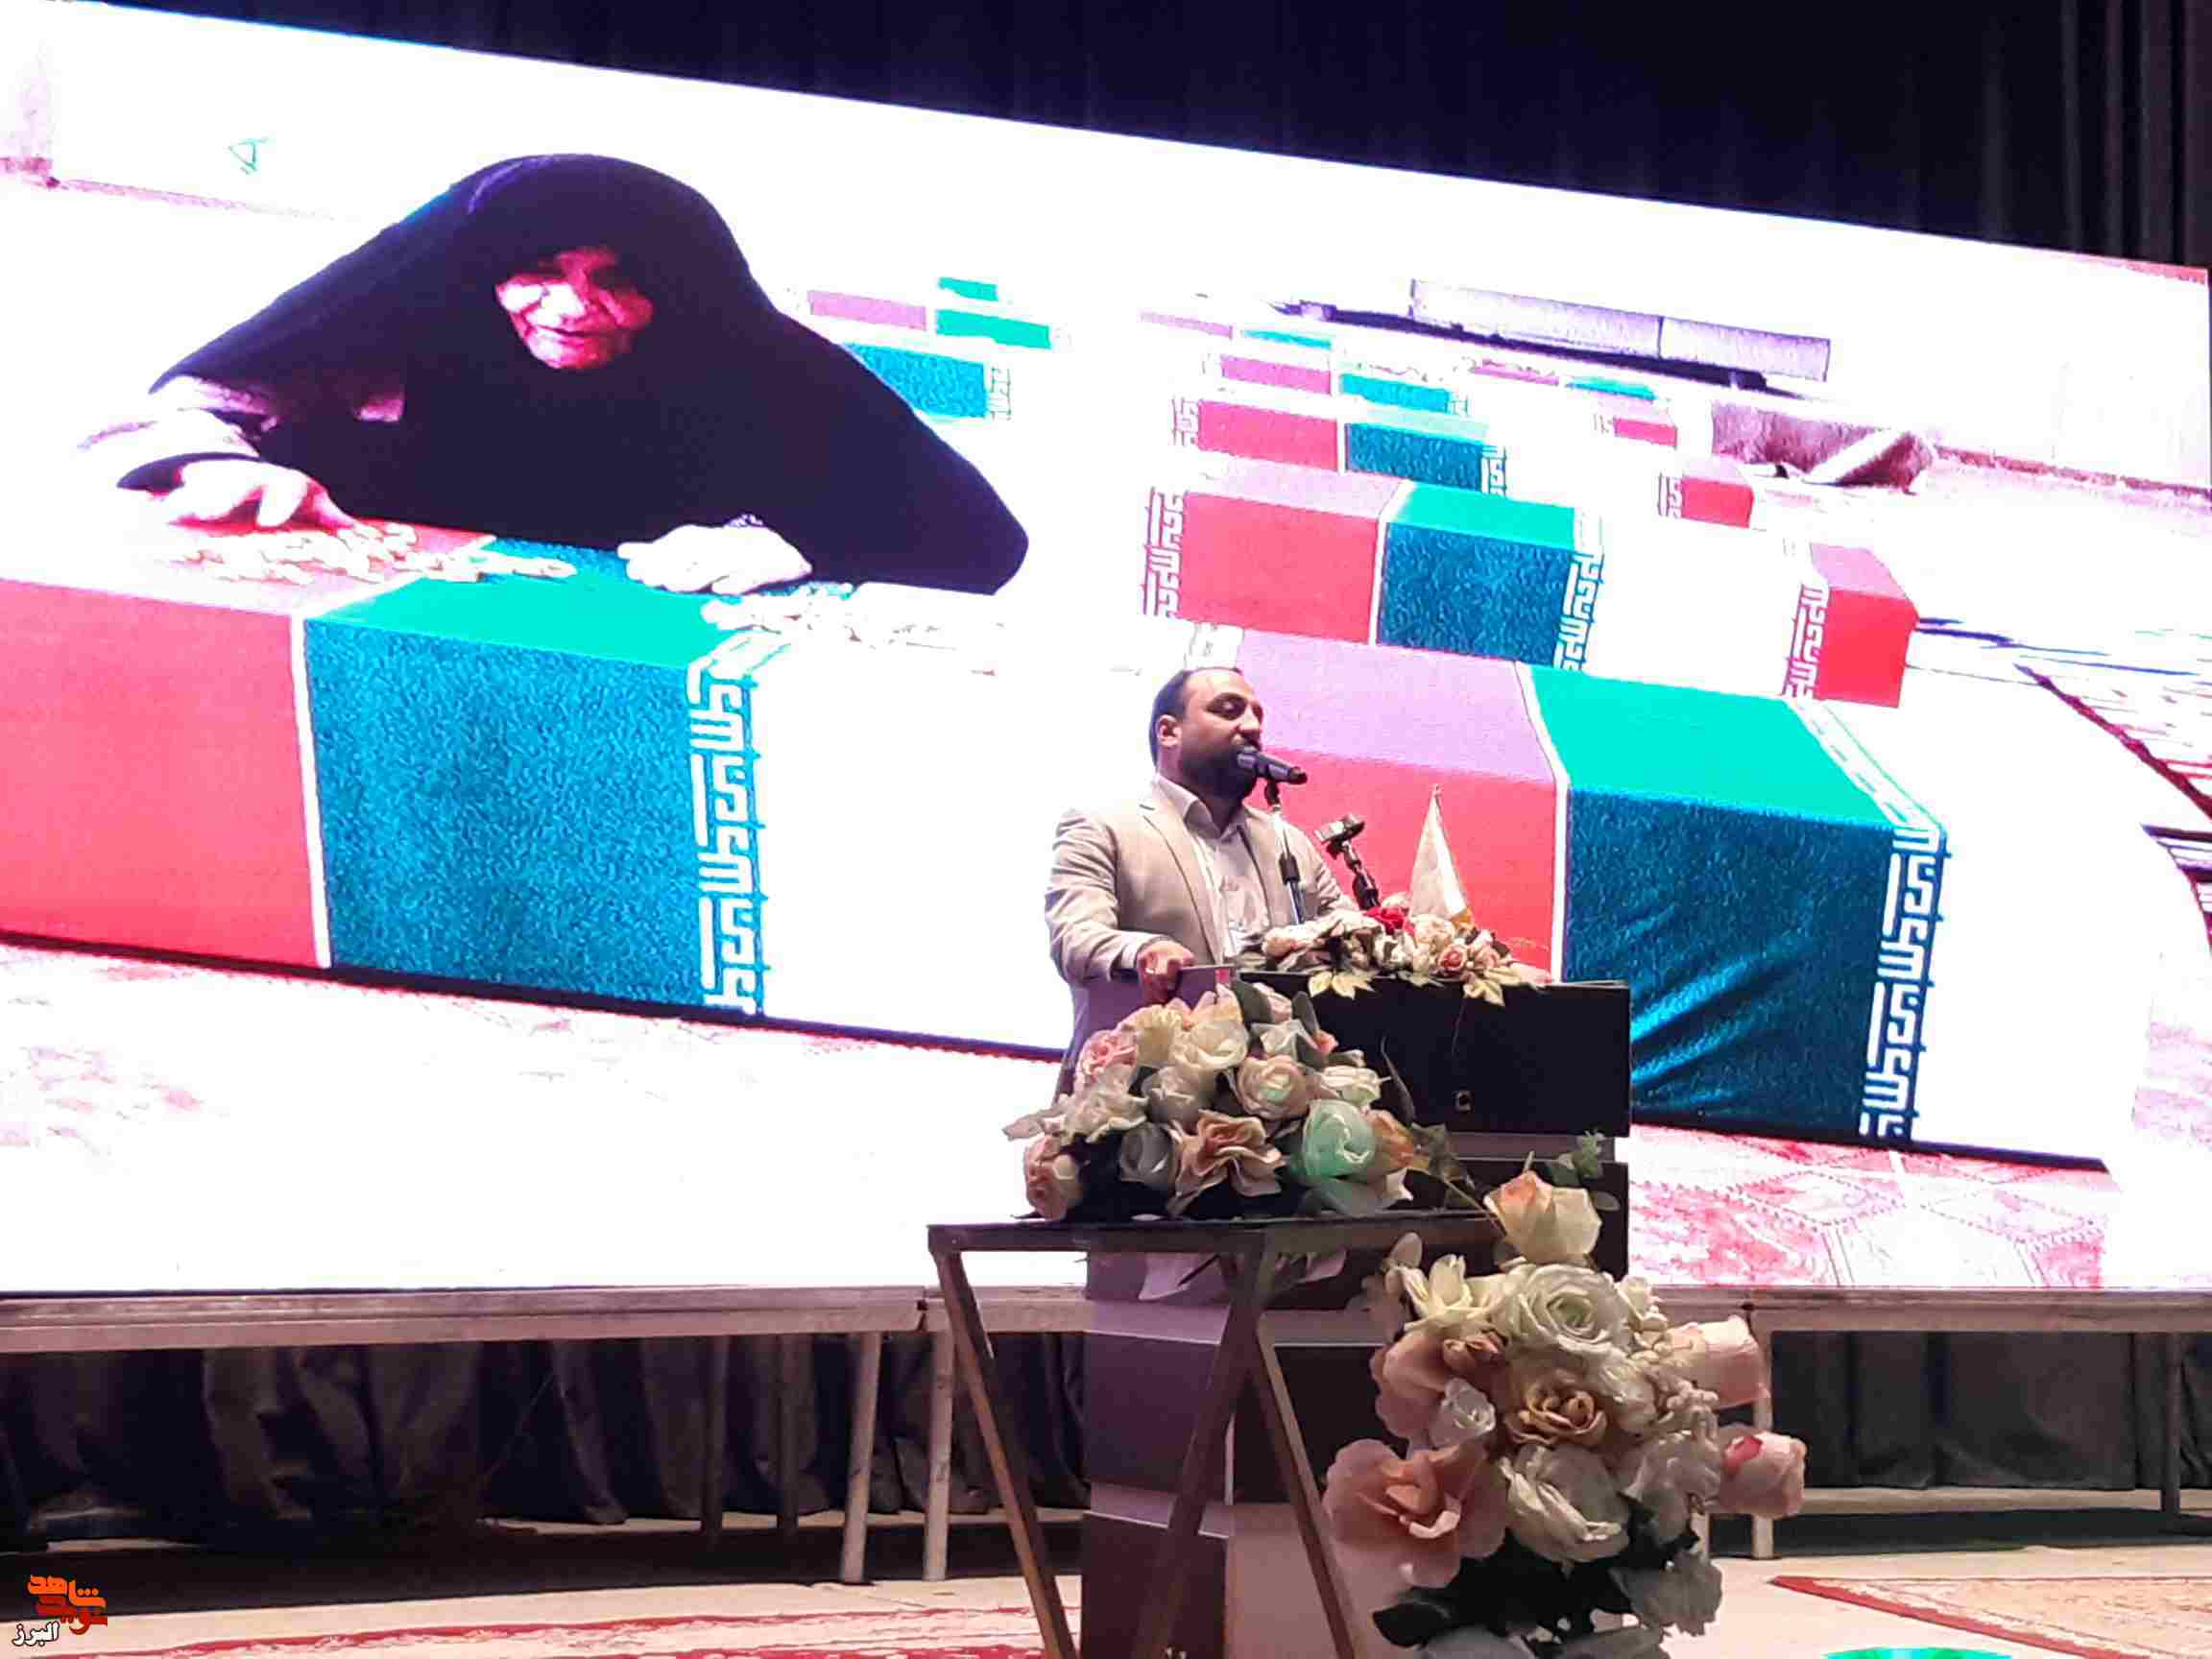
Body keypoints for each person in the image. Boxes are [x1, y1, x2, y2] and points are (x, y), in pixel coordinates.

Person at [80, 154, 1027, 596]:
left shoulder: (756, 362)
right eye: (536, 270)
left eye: (619, 282)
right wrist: (214, 461)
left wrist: (807, 542)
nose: (572, 309)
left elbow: (980, 537)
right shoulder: (402, 320)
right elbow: (181, 405)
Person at [1045, 664, 1353, 1077]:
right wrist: (1144, 950)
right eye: (1228, 710)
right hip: (1139, 1091)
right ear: (1168, 731)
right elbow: (1075, 937)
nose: (1252, 727)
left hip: (1276, 1095)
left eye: (1257, 716)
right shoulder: (1102, 826)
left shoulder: (1289, 842)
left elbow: (1346, 928)